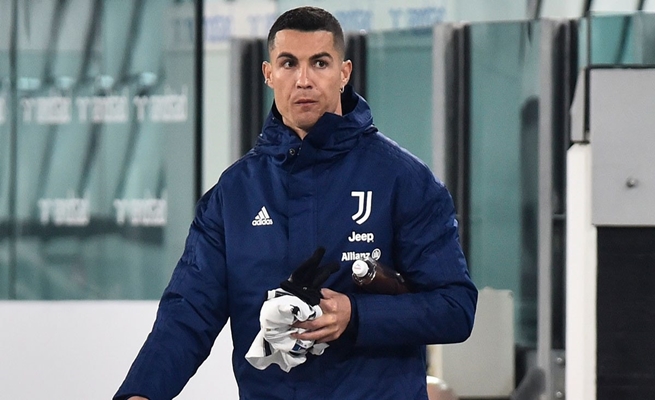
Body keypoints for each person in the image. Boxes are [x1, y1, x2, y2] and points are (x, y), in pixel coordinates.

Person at [114, 6, 477, 400]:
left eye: (320, 63)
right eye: (289, 63)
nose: (304, 79)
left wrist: (357, 315)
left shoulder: (404, 180)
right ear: (269, 74)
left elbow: (455, 307)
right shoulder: (234, 194)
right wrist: (142, 393)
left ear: (344, 73)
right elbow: (188, 313)